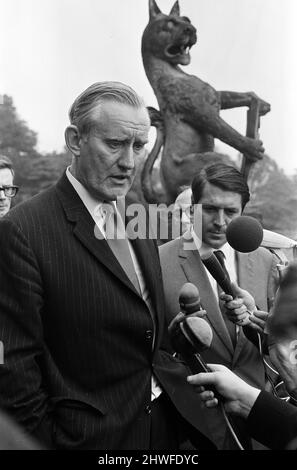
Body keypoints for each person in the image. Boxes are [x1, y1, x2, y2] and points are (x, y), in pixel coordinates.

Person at [0, 81, 216, 450]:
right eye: (115, 144)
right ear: (74, 140)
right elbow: (16, 371)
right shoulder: (23, 230)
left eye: (139, 146)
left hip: (165, 431)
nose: (129, 162)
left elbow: (139, 324)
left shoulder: (138, 214)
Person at [159, 163, 280, 449]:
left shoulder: (267, 261)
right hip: (193, 430)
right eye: (210, 209)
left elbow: (280, 346)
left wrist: (260, 327)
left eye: (231, 212)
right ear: (192, 210)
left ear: (243, 213)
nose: (220, 222)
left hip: (261, 426)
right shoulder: (158, 262)